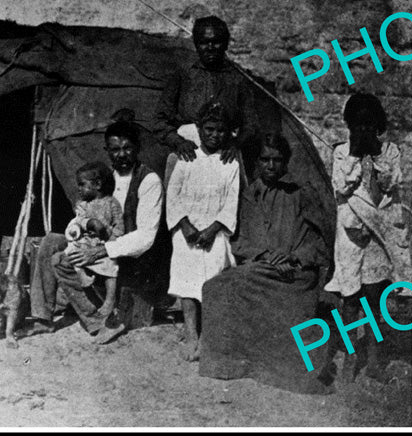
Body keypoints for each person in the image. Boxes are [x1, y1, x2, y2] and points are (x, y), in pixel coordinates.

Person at [199, 132, 332, 394]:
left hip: (297, 272)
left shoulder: (301, 192)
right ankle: (230, 364)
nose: (271, 166)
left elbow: (319, 244)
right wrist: (268, 256)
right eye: (265, 159)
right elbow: (242, 241)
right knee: (215, 287)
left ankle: (283, 366)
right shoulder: (252, 193)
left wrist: (292, 257)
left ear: (286, 162)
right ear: (257, 162)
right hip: (264, 267)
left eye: (277, 160)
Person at [29, 110, 163, 343]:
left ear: (137, 148)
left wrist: (101, 250)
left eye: (127, 148)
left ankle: (98, 321)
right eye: (115, 149)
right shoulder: (106, 179)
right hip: (98, 242)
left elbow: (146, 236)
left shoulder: (148, 180)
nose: (121, 155)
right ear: (107, 151)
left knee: (62, 261)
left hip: (128, 254)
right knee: (51, 240)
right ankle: (43, 318)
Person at [323, 92, 407, 379]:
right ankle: (349, 357)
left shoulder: (391, 152)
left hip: (377, 235)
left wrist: (376, 154)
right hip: (350, 234)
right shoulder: (340, 152)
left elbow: (390, 183)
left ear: (378, 127)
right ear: (348, 126)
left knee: (374, 298)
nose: (363, 131)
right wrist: (356, 155)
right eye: (357, 126)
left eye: (369, 126)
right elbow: (341, 187)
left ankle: (372, 361)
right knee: (350, 298)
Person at [165, 100, 240, 361]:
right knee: (187, 283)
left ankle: (208, 337)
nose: (214, 135)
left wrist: (213, 228)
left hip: (215, 232)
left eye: (220, 131)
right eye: (209, 129)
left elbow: (232, 201)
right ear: (199, 129)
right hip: (187, 231)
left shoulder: (230, 163)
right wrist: (185, 225)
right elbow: (172, 195)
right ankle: (191, 336)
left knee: (212, 282)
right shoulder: (187, 157)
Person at [154, 15, 255, 163]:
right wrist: (178, 142)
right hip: (187, 152)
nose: (210, 48)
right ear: (196, 45)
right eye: (204, 42)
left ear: (226, 44)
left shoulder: (238, 78)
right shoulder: (184, 74)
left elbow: (251, 125)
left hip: (225, 154)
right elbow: (159, 121)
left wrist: (236, 144)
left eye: (216, 42)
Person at [60, 160, 123, 319]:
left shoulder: (111, 203)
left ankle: (109, 300)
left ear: (98, 184)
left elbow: (119, 225)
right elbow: (78, 220)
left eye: (82, 184)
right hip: (86, 241)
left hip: (104, 244)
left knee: (111, 266)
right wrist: (88, 223)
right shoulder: (82, 204)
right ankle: (82, 275)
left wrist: (112, 241)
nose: (79, 189)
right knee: (70, 251)